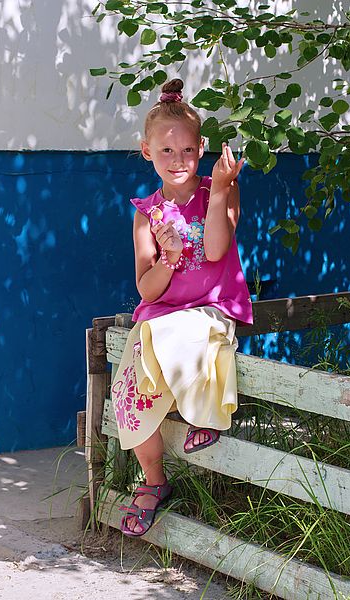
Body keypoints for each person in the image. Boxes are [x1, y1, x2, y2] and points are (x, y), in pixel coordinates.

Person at [111, 78, 253, 537]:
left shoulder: (221, 188)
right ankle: (154, 482)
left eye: (188, 151)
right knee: (127, 388)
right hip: (162, 315)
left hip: (211, 307)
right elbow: (148, 290)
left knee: (182, 337)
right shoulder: (145, 212)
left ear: (201, 148)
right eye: (167, 152)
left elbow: (214, 251)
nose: (178, 161)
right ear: (147, 150)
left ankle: (205, 412)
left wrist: (219, 193)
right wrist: (169, 258)